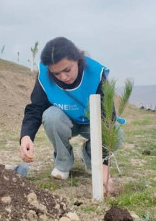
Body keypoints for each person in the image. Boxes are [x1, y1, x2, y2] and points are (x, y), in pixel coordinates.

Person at [18, 37, 124, 195]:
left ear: (78, 59)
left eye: (67, 70)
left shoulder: (96, 74)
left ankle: (90, 157)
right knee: (50, 116)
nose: (63, 77)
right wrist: (26, 136)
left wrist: (103, 168)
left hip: (92, 124)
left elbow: (107, 118)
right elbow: (36, 108)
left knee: (117, 134)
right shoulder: (44, 75)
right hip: (65, 121)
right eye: (56, 73)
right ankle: (63, 163)